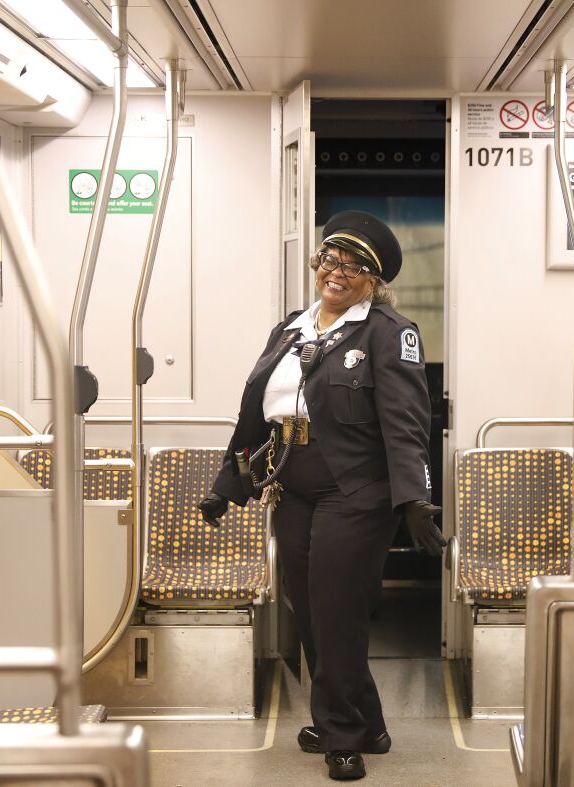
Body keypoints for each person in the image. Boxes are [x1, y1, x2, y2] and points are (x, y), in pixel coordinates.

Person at [198, 210, 445, 781]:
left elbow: (407, 423)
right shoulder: (290, 327)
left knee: (337, 612)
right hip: (293, 487)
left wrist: (414, 499)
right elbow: (254, 414)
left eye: (355, 268)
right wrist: (226, 485)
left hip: (356, 490)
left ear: (374, 281)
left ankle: (341, 735)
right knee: (308, 611)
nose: (338, 272)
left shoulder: (389, 332)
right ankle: (370, 721)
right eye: (331, 259)